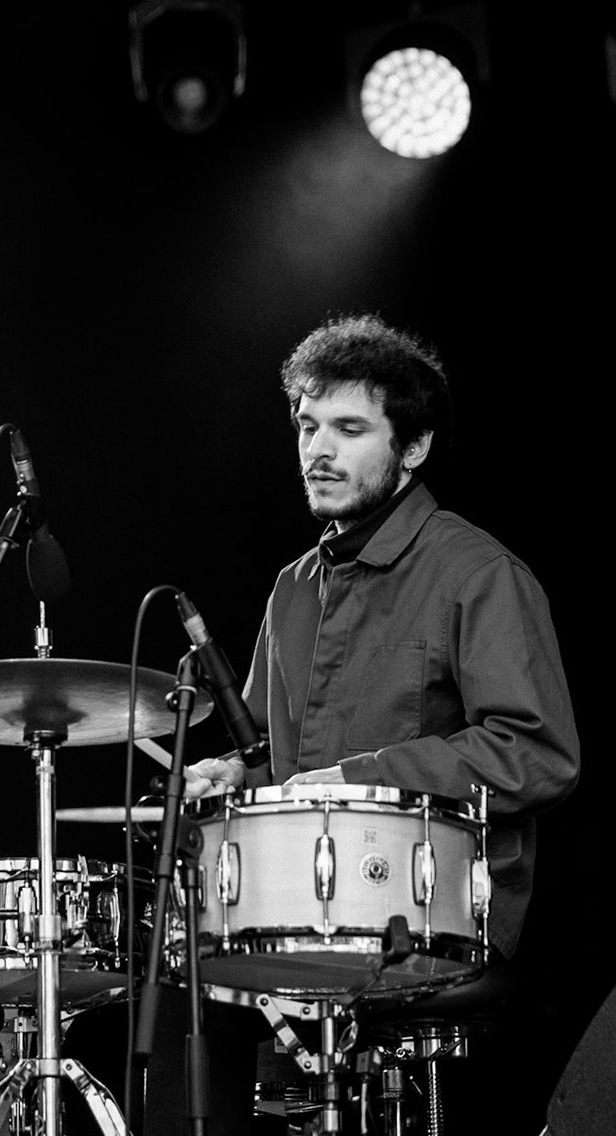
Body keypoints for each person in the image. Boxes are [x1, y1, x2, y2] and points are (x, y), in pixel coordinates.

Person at [187, 312, 581, 964]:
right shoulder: (292, 588)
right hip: (296, 920)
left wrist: (359, 783)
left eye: (348, 429)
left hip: (434, 935)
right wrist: (231, 775)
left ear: (414, 446)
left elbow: (536, 754)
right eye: (307, 427)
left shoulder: (480, 574)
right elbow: (270, 759)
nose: (317, 450)